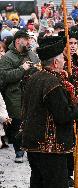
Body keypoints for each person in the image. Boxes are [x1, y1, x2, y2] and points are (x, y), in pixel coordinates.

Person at [21, 35, 78, 188]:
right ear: (55, 62)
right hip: (51, 147)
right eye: (63, 58)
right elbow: (63, 114)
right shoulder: (53, 83)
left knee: (38, 182)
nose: (65, 61)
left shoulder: (34, 77)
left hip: (33, 143)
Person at [0, 29, 40, 163]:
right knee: (17, 123)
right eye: (26, 39)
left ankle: (32, 148)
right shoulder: (7, 57)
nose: (29, 42)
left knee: (32, 121)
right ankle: (19, 150)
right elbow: (5, 76)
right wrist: (21, 69)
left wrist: (36, 69)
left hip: (31, 93)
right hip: (14, 95)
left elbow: (38, 70)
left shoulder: (32, 55)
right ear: (18, 40)